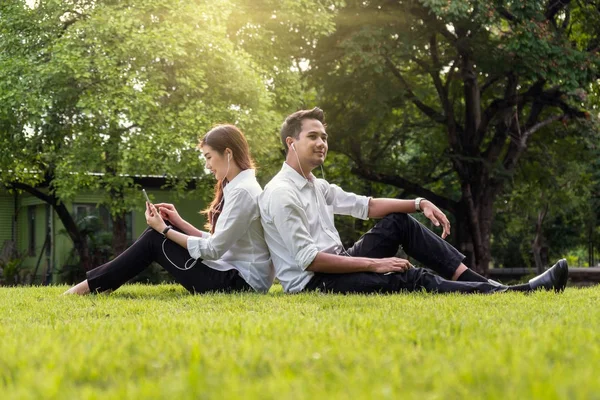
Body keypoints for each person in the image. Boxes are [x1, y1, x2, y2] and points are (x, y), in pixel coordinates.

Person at [259, 107, 569, 294]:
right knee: (406, 275)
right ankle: (511, 293)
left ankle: (496, 289)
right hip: (317, 282)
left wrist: (418, 203)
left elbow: (367, 206)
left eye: (324, 137)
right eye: (313, 136)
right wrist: (376, 264)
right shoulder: (282, 193)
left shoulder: (316, 185)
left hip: (339, 262)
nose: (321, 143)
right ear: (292, 142)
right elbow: (309, 260)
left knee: (399, 222)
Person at [64, 125, 274, 295]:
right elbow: (219, 241)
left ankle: (89, 288)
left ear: (228, 153)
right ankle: (100, 286)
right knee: (163, 230)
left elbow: (213, 249)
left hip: (240, 284)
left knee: (156, 238)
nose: (208, 165)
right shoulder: (238, 187)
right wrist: (178, 223)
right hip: (232, 273)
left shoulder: (244, 192)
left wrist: (164, 230)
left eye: (209, 157)